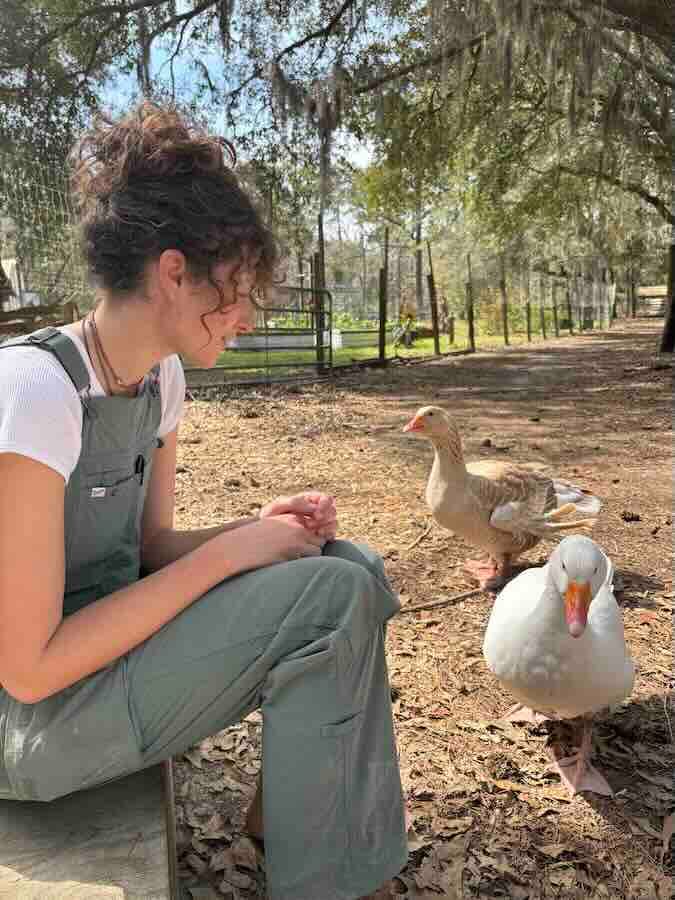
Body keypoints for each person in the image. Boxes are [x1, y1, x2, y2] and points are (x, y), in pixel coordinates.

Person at [0, 102, 407, 900]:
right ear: (173, 271)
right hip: (28, 724)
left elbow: (148, 550)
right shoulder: (33, 392)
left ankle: (289, 825)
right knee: (327, 600)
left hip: (106, 660)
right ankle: (326, 881)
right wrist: (230, 555)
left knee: (346, 561)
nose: (249, 317)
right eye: (238, 289)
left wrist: (258, 531)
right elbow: (30, 667)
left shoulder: (161, 380)